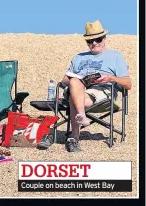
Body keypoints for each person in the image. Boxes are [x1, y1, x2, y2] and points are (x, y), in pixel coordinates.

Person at [37, 20, 131, 153]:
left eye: (98, 39)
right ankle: (81, 116)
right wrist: (70, 79)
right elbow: (64, 80)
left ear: (104, 38)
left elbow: (128, 84)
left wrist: (110, 78)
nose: (94, 43)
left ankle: (74, 138)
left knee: (74, 95)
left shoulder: (115, 56)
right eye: (90, 41)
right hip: (76, 89)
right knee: (74, 82)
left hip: (102, 91)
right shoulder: (78, 57)